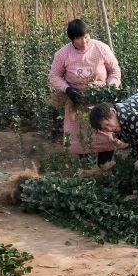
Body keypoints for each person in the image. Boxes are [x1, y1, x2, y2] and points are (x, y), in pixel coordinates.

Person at [48, 19, 121, 167]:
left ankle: (105, 167)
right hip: (77, 103)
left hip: (100, 101)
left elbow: (114, 71)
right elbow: (54, 76)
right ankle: (86, 171)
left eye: (86, 37)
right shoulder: (63, 54)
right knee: (80, 139)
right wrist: (68, 90)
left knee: (106, 134)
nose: (84, 41)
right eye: (79, 39)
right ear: (72, 39)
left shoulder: (101, 48)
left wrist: (110, 88)